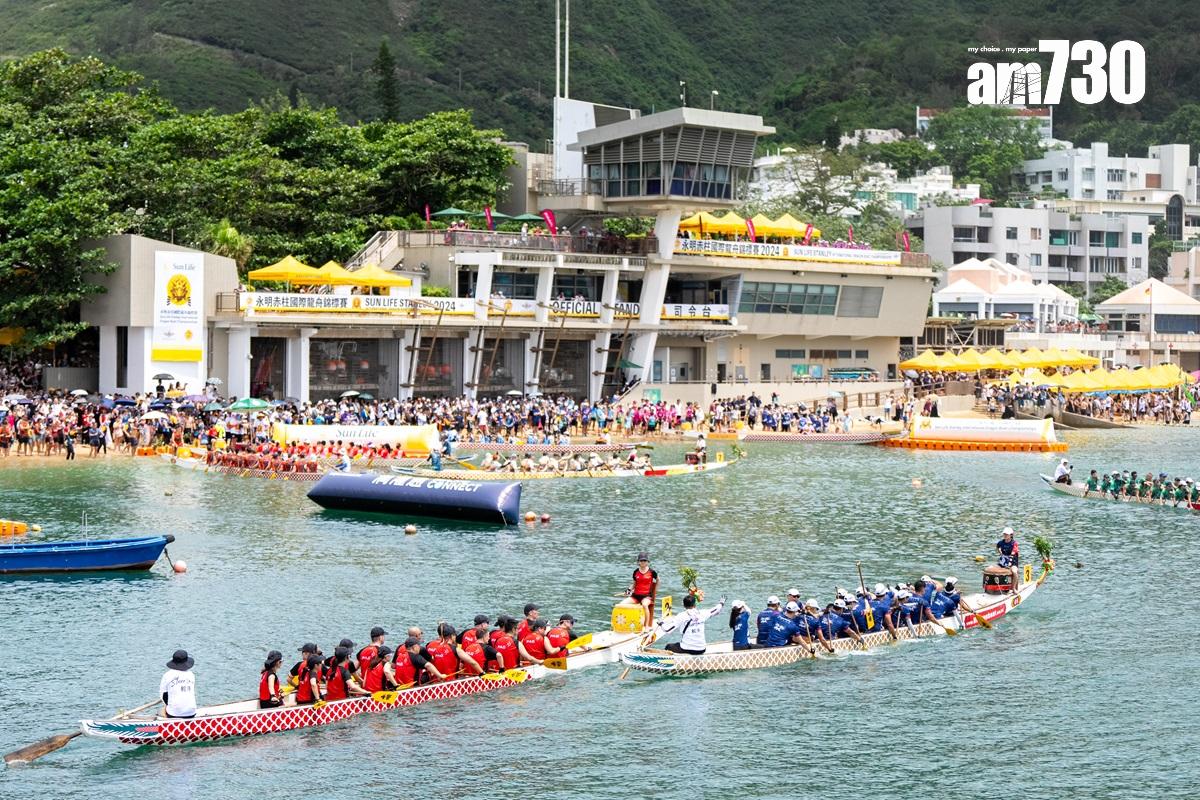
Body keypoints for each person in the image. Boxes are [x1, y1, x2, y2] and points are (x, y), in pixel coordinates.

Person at [657, 594, 725, 655]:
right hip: (701, 649)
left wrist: (661, 623)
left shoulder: (681, 616)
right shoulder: (703, 613)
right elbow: (716, 609)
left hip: (687, 648)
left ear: (684, 605)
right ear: (695, 605)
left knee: (668, 646)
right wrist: (721, 603)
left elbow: (667, 630)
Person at [624, 552, 659, 630]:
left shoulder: (652, 572)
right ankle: (627, 625)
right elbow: (634, 584)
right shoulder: (636, 572)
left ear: (647, 562)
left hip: (646, 596)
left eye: (644, 561)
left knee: (644, 605)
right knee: (622, 604)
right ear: (638, 562)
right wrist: (629, 590)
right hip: (635, 596)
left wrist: (655, 591)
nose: (643, 562)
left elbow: (658, 580)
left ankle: (646, 626)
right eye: (641, 561)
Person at [160, 650, 197, 718]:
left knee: (161, 711)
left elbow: (163, 696)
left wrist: (169, 706)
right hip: (191, 712)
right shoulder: (191, 675)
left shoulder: (167, 675)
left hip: (174, 714)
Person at [997, 527, 1020, 592]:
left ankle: (1013, 588)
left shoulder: (1014, 543)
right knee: (992, 569)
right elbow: (998, 547)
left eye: (1006, 534)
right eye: (1004, 534)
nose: (1005, 535)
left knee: (1014, 572)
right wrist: (1000, 552)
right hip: (1003, 562)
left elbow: (1012, 554)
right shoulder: (1001, 542)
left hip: (1012, 562)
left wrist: (1009, 564)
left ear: (1011, 535)